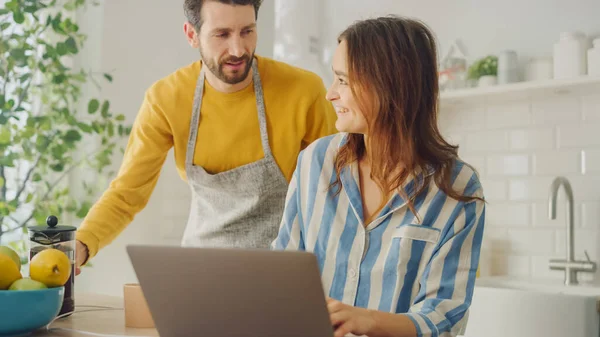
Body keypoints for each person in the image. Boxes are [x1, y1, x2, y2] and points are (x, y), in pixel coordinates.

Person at [74, 0, 337, 272]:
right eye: (222, 34)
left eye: (247, 31)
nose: (238, 49)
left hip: (284, 269)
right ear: (192, 35)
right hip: (200, 272)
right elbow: (126, 194)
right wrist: (79, 245)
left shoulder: (305, 91)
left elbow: (336, 191)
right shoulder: (166, 99)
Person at [271, 15, 486, 337]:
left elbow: (445, 316)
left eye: (343, 80)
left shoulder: (457, 187)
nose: (331, 94)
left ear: (389, 82)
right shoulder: (315, 161)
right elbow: (282, 273)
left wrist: (369, 321)